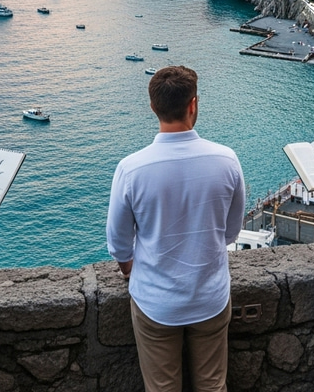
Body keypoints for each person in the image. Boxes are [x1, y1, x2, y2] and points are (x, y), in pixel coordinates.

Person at [106, 66, 246, 392]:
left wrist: (130, 270)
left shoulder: (131, 169)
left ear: (153, 107)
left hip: (156, 300)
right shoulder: (227, 160)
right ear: (193, 105)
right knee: (213, 386)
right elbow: (230, 233)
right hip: (210, 295)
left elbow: (118, 243)